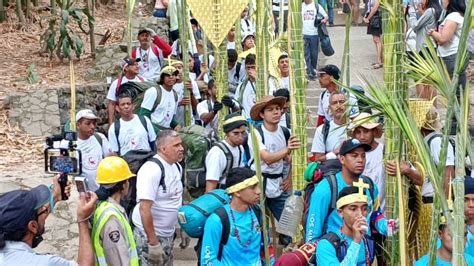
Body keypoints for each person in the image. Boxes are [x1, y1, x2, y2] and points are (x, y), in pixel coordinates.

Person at [0, 176, 97, 265]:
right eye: (40, 209)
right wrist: (83, 220)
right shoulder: (46, 263)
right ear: (33, 226)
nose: (43, 209)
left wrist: (55, 197)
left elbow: (39, 216)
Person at [305, 138, 389, 243]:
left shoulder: (369, 185)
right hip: (336, 255)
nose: (360, 160)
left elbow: (374, 215)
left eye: (363, 156)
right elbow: (312, 233)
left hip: (364, 254)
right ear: (342, 159)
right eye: (354, 156)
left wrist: (387, 226)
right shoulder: (327, 188)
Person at [248, 95, 301, 245]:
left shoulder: (285, 132)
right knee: (258, 226)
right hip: (259, 183)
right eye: (270, 110)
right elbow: (267, 158)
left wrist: (290, 178)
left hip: (278, 183)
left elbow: (292, 159)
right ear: (262, 114)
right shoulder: (256, 133)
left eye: (278, 109)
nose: (276, 112)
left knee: (291, 222)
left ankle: (287, 248)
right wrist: (287, 149)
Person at [132, 130, 184, 265]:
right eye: (176, 145)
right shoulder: (151, 170)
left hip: (168, 235)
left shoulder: (177, 167)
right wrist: (153, 243)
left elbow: (177, 198)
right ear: (163, 149)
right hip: (148, 237)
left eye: (181, 144)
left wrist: (183, 227)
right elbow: (144, 209)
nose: (181, 148)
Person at [200, 167, 263, 265]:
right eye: (252, 187)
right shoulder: (216, 220)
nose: (258, 191)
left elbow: (266, 248)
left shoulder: (258, 212)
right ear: (237, 192)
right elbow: (208, 261)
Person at [92, 157, 139, 265]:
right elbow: (118, 258)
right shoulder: (111, 218)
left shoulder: (104, 206)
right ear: (123, 185)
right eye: (127, 180)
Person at [316, 186, 375, 265]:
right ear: (340, 212)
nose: (360, 215)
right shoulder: (327, 245)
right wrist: (356, 242)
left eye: (364, 209)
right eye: (353, 209)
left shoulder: (368, 242)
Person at [427, 0, 466, 92]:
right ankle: (462, 105)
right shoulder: (460, 15)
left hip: (451, 56)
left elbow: (443, 39)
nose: (441, 1)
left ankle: (459, 105)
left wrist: (432, 33)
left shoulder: (453, 17)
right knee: (459, 88)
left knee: (455, 89)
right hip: (456, 54)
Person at [349, 112, 385, 210]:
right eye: (358, 132)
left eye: (366, 131)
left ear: (374, 131)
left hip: (382, 213)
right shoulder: (350, 155)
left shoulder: (384, 152)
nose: (362, 136)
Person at [407, 0, 442, 100]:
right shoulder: (436, 10)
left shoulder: (430, 10)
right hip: (430, 47)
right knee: (430, 80)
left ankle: (426, 106)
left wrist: (412, 14)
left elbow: (415, 27)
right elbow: (427, 23)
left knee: (423, 80)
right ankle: (432, 108)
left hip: (424, 48)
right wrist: (421, 11)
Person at [205, 113, 247, 192]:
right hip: (220, 193)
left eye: (243, 133)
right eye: (236, 133)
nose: (240, 137)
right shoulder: (217, 153)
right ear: (227, 133)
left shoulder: (240, 147)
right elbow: (210, 187)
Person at [73, 109, 112, 191]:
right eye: (88, 123)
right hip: (80, 193)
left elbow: (110, 160)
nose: (92, 127)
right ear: (78, 125)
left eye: (94, 123)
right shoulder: (69, 144)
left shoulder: (100, 138)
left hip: (101, 191)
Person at [420, 107, 455, 197]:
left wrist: (447, 204)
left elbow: (448, 174)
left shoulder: (436, 141)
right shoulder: (426, 142)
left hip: (435, 201)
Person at [139, 66, 181, 132]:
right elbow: (144, 116)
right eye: (167, 75)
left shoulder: (175, 95)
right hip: (152, 131)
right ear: (162, 78)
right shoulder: (153, 91)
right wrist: (157, 131)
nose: (171, 77)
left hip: (167, 132)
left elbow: (170, 117)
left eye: (173, 74)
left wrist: (176, 125)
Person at [311, 91, 349, 162]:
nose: (338, 105)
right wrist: (335, 153)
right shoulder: (322, 130)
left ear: (347, 105)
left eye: (341, 102)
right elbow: (317, 160)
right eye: (334, 103)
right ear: (329, 108)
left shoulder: (356, 127)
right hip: (331, 171)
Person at [106, 56, 145, 126]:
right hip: (123, 121)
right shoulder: (117, 84)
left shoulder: (144, 81)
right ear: (126, 68)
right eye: (133, 65)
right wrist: (111, 123)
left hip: (140, 120)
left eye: (137, 64)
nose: (137, 66)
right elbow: (111, 104)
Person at [302, 0, 328, 81]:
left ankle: (313, 70)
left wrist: (323, 20)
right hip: (303, 34)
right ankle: (309, 72)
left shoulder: (316, 6)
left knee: (314, 54)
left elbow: (326, 16)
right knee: (306, 55)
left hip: (314, 34)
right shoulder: (301, 6)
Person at [170, 58, 201, 124]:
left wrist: (191, 92)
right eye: (174, 68)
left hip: (189, 122)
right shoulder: (169, 85)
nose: (177, 70)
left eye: (179, 67)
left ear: (183, 69)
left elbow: (197, 106)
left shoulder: (191, 83)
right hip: (174, 123)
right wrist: (179, 104)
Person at [235, 53, 257, 120]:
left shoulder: (268, 83)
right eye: (248, 68)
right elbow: (237, 104)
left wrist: (256, 80)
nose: (250, 70)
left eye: (253, 67)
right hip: (247, 122)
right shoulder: (241, 86)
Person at [363, 0, 383, 69]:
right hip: (373, 18)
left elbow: (375, 8)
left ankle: (379, 61)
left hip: (376, 18)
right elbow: (369, 8)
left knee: (377, 40)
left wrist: (368, 18)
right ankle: (380, 59)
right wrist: (366, 16)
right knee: (376, 40)